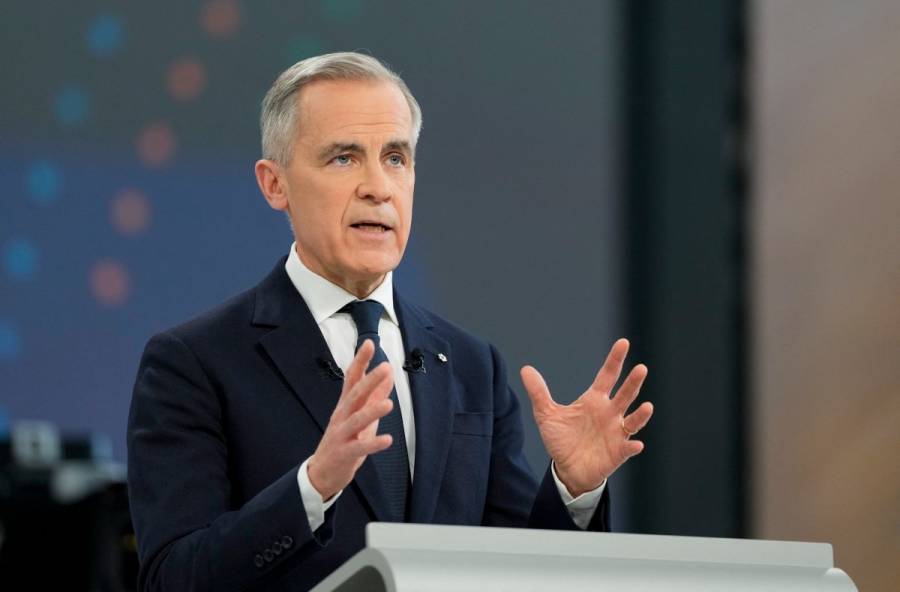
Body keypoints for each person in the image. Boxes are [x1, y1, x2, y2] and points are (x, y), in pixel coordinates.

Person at [127, 52, 653, 592]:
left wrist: (572, 490)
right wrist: (312, 489)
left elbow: (516, 571)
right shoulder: (194, 363)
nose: (378, 187)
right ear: (275, 184)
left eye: (396, 158)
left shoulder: (473, 366)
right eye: (344, 158)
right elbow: (172, 579)